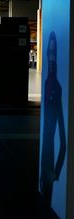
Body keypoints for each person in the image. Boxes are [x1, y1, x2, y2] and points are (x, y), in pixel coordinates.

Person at [40, 31, 66, 206]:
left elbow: (63, 141)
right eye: (48, 53)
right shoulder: (48, 83)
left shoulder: (56, 86)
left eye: (52, 53)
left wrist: (55, 172)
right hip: (45, 161)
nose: (50, 57)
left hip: (47, 163)